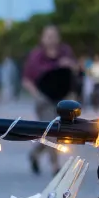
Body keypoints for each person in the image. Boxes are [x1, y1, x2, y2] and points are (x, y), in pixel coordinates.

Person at [22, 24, 77, 175]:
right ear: (42, 38)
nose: (51, 39)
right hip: (44, 100)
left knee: (59, 131)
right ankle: (55, 165)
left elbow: (76, 72)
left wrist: (70, 65)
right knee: (52, 130)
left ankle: (35, 153)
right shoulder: (36, 56)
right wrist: (38, 96)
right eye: (48, 36)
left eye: (54, 35)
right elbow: (27, 79)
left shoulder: (65, 53)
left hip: (63, 99)